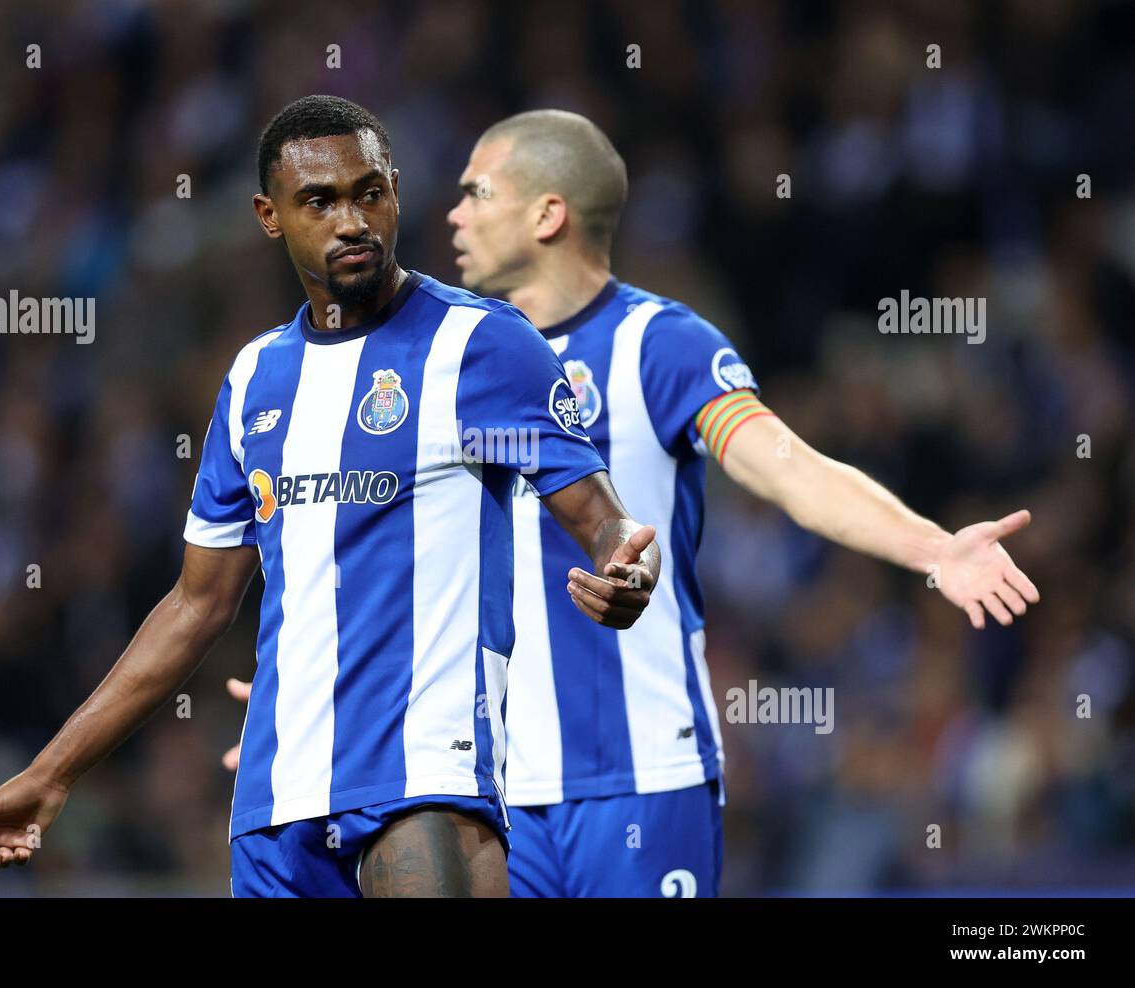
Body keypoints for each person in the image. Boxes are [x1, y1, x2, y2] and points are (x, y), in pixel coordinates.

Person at [0, 96, 665, 898]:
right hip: (276, 801)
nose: (351, 220)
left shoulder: (481, 346)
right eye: (319, 201)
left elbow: (605, 520)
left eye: (369, 193)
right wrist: (52, 773)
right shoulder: (257, 377)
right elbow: (195, 607)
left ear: (395, 191)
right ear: (269, 215)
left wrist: (628, 567)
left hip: (424, 777)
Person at [442, 109, 1039, 897]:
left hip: (644, 774)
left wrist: (931, 547)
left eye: (477, 192)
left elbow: (789, 468)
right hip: (490, 789)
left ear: (547, 213)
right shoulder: (448, 365)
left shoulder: (659, 344)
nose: (454, 214)